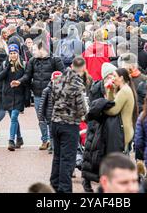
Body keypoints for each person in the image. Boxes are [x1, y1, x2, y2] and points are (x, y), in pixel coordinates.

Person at [14, 41, 65, 150]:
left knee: (52, 118)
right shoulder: (32, 61)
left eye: (34, 50)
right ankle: (44, 140)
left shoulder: (55, 60)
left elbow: (63, 74)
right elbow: (27, 75)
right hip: (37, 93)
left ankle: (53, 141)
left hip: (52, 94)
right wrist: (19, 81)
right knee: (41, 118)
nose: (32, 52)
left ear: (42, 50)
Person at [50, 57, 88, 193]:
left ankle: (54, 182)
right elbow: (82, 108)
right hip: (70, 124)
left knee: (57, 156)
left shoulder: (57, 80)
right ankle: (64, 189)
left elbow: (53, 99)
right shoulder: (77, 84)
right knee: (68, 158)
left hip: (55, 122)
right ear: (83, 68)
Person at [0, 44, 27, 151]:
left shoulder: (23, 64)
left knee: (14, 117)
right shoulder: (5, 64)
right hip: (7, 95)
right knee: (14, 119)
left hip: (19, 95)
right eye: (11, 53)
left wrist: (19, 82)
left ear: (18, 53)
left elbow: (26, 77)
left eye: (14, 53)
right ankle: (19, 138)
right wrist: (8, 67)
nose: (13, 55)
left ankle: (11, 140)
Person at [105, 68, 137, 153]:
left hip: (123, 132)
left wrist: (102, 109)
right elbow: (111, 103)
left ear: (121, 78)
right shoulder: (125, 89)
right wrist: (111, 90)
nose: (113, 78)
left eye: (115, 76)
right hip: (125, 131)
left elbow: (113, 110)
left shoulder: (124, 91)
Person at [38, 71, 63, 154]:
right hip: (50, 115)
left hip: (61, 115)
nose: (57, 82)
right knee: (52, 132)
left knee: (59, 132)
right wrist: (40, 117)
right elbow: (42, 104)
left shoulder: (64, 90)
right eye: (55, 80)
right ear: (51, 80)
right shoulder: (47, 90)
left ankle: (56, 146)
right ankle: (52, 147)